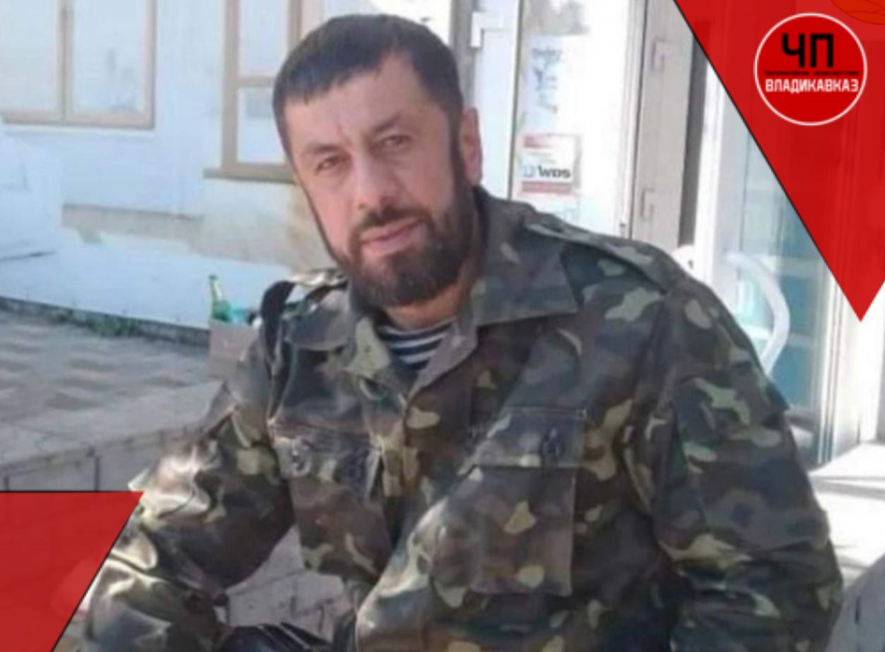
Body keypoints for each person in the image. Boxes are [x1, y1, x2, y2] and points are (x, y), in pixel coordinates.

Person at [83, 14, 842, 652]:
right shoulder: (300, 343)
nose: (371, 193)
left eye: (395, 143)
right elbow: (154, 551)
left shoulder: (643, 319)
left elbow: (774, 588)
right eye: (330, 164)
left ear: (467, 144)